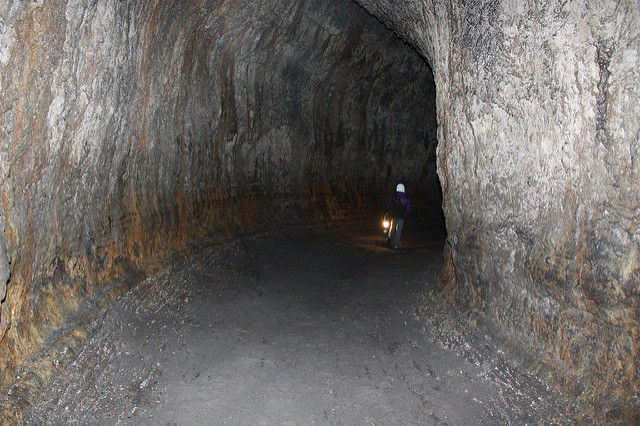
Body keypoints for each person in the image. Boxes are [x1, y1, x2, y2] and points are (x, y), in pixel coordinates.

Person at [385, 183, 411, 249]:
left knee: (392, 226)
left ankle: (389, 238)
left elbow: (388, 205)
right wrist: (405, 214)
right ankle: (396, 244)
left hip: (394, 215)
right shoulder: (406, 198)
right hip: (401, 216)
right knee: (398, 229)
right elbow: (408, 208)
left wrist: (388, 212)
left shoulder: (393, 196)